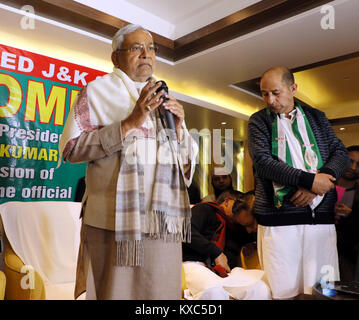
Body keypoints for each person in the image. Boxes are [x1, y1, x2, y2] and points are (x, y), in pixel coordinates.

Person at [58, 24, 198, 300]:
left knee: (161, 293)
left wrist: (179, 131)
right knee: (114, 292)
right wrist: (131, 122)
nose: (145, 54)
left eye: (150, 49)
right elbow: (71, 149)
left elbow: (184, 168)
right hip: (113, 218)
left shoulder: (164, 96)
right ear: (116, 58)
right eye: (136, 48)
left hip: (162, 218)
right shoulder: (95, 92)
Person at [248, 66, 350, 299]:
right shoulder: (258, 121)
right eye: (264, 94)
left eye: (276, 92)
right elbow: (263, 163)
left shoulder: (316, 117)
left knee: (323, 291)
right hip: (279, 221)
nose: (270, 100)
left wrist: (321, 180)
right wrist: (309, 182)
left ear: (292, 88)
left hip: (320, 221)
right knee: (282, 292)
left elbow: (341, 154)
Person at [182, 190, 271, 300]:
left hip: (227, 271)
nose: (236, 210)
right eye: (236, 204)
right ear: (227, 201)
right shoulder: (205, 209)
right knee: (214, 292)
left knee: (260, 288)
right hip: (196, 263)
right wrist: (216, 253)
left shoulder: (239, 225)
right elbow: (186, 231)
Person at [335, 145, 359, 281]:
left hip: (348, 257)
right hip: (318, 249)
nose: (353, 168)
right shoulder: (323, 187)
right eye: (350, 161)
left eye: (358, 164)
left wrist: (352, 215)